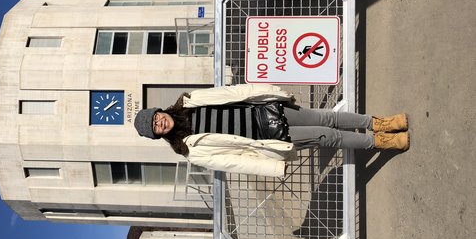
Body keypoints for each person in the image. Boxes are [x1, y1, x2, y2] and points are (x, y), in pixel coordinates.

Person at [134, 84, 409, 177]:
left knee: (327, 117)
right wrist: (271, 167)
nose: (160, 123)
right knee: (328, 136)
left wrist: (270, 91)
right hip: (267, 139)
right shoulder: (189, 149)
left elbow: (233, 92)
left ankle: (378, 123)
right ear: (158, 135)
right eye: (155, 128)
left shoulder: (189, 100)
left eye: (156, 118)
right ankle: (381, 142)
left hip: (267, 111)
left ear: (159, 111)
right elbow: (232, 162)